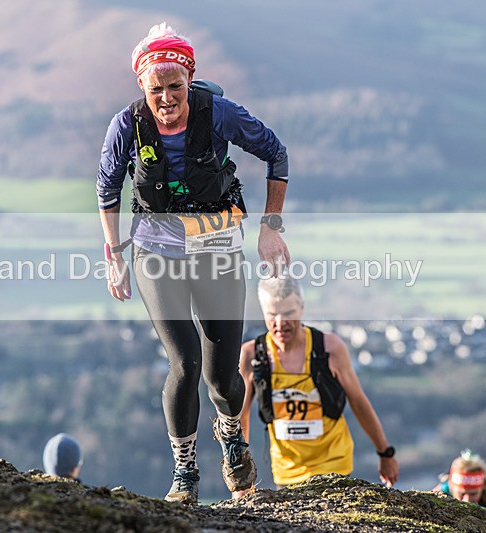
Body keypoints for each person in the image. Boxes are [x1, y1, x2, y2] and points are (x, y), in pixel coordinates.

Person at [96, 22, 291, 505]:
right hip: (156, 251)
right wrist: (115, 254)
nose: (166, 98)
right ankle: (185, 472)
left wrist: (271, 227)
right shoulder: (126, 125)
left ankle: (231, 435)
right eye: (155, 88)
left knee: (221, 378)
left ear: (190, 81)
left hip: (218, 247)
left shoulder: (219, 113)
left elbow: (275, 153)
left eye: (175, 87)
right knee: (185, 362)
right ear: (142, 86)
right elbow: (106, 190)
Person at [235, 277, 399, 495]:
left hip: (333, 464)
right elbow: (240, 416)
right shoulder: (253, 354)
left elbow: (358, 401)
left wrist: (385, 453)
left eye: (288, 313)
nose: (280, 323)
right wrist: (240, 477)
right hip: (286, 471)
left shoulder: (329, 348)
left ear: (302, 309)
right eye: (272, 314)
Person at [434, 449, 486, 517]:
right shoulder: (436, 497)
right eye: (462, 494)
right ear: (451, 487)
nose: (467, 500)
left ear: (483, 488)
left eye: (473, 494)